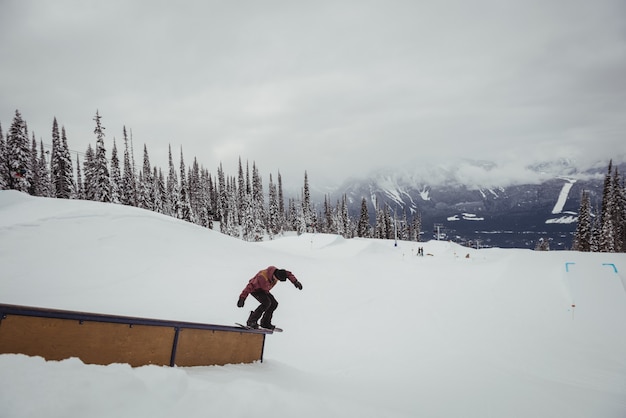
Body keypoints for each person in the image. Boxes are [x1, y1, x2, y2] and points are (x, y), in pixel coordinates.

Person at [237, 266, 303, 330]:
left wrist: (295, 282)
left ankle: (265, 323)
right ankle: (251, 321)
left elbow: (288, 274)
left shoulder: (278, 272)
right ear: (274, 275)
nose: (276, 280)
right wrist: (242, 298)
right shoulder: (262, 277)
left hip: (264, 290)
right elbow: (249, 286)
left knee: (274, 303)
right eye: (276, 279)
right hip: (255, 290)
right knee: (266, 303)